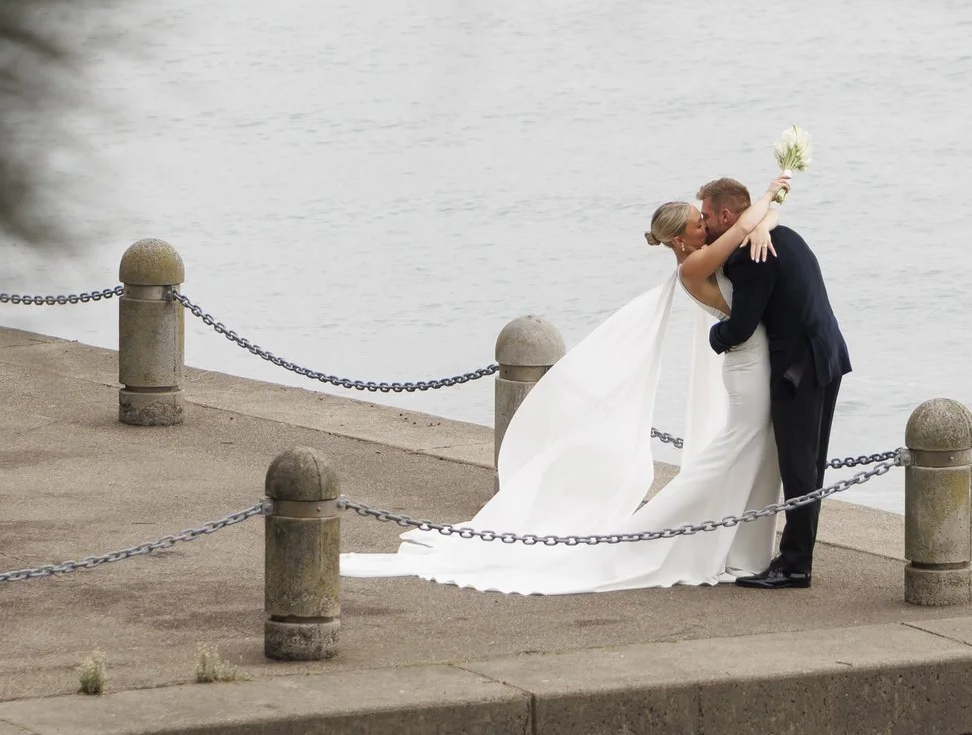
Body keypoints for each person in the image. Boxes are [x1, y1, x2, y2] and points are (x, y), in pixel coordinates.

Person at [340, 178, 791, 596]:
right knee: (729, 454)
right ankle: (668, 531)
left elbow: (748, 226)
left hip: (753, 362)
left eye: (705, 219)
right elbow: (742, 227)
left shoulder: (704, 254)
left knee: (752, 451)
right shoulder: (695, 266)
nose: (706, 225)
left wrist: (766, 217)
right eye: (699, 223)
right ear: (680, 240)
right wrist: (774, 192)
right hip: (745, 367)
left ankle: (742, 546)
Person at [698, 172, 851, 591]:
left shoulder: (749, 252)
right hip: (828, 354)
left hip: (797, 368)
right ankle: (797, 557)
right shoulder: (780, 232)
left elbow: (742, 327)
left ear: (727, 215)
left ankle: (796, 565)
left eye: (707, 216)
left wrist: (714, 336)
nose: (704, 223)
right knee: (811, 464)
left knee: (799, 467)